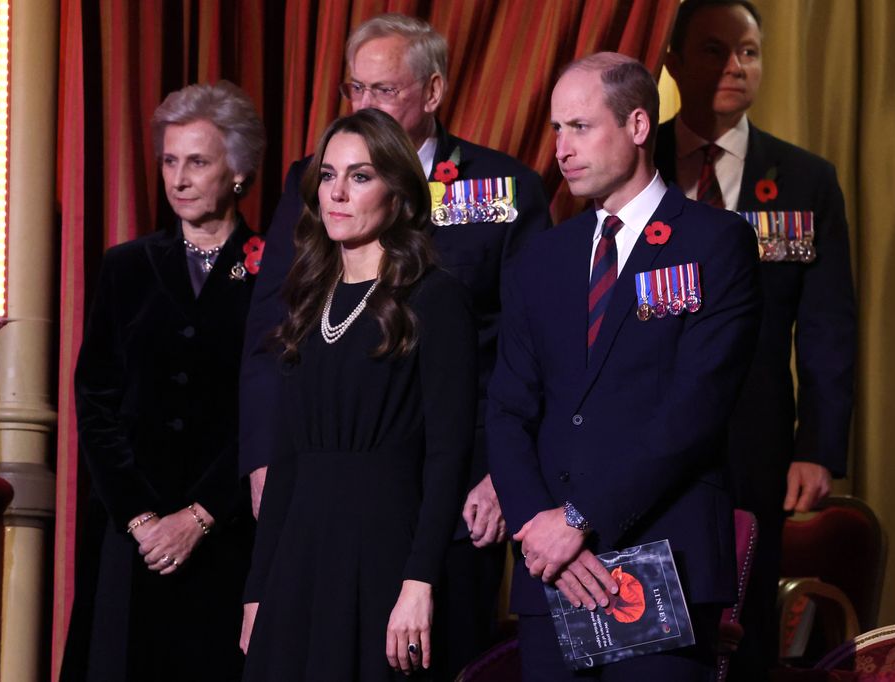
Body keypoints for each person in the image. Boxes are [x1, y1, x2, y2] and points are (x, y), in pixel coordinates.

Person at [239, 13, 550, 676]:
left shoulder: (503, 188)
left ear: (432, 92)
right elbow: (272, 341)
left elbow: (531, 347)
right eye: (355, 90)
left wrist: (505, 472)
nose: (366, 105)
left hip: (455, 489)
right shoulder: (313, 187)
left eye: (383, 91)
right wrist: (263, 460)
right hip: (317, 491)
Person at [487, 52, 762, 680]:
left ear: (639, 126)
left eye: (580, 127)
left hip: (662, 560)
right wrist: (538, 526)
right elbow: (506, 409)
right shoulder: (541, 259)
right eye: (557, 129)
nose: (562, 148)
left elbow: (694, 411)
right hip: (551, 568)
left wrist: (582, 519)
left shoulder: (714, 243)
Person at [239, 107, 477, 681]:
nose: (338, 193)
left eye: (361, 176)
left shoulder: (434, 298)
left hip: (383, 552)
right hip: (301, 553)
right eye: (328, 175)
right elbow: (286, 457)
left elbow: (449, 456)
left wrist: (419, 582)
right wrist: (257, 588)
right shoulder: (306, 301)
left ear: (398, 192)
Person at [657, 1, 857, 676]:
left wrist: (818, 449)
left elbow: (829, 325)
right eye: (715, 51)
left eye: (748, 52)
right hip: (640, 431)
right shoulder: (632, 159)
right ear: (673, 63)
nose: (735, 67)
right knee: (646, 624)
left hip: (754, 443)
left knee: (742, 630)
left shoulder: (805, 179)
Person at [60, 81, 265, 681]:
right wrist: (142, 518)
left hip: (227, 537)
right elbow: (94, 399)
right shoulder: (126, 266)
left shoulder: (274, 271)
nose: (178, 178)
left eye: (197, 161)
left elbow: (270, 414)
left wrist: (200, 515)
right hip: (130, 537)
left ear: (237, 170)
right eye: (169, 161)